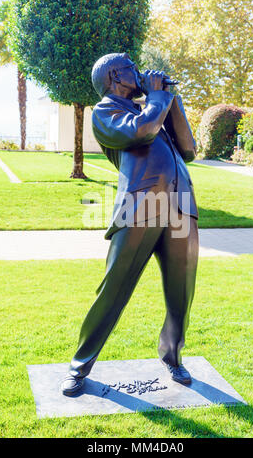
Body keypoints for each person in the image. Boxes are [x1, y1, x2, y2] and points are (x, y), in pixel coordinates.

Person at [61, 52, 199, 396]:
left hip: (181, 205)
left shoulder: (154, 104)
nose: (139, 73)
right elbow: (143, 132)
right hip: (140, 208)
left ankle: (172, 356)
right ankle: (79, 366)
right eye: (131, 68)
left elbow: (189, 149)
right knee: (115, 290)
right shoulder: (106, 112)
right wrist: (157, 99)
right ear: (114, 77)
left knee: (182, 292)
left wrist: (171, 99)